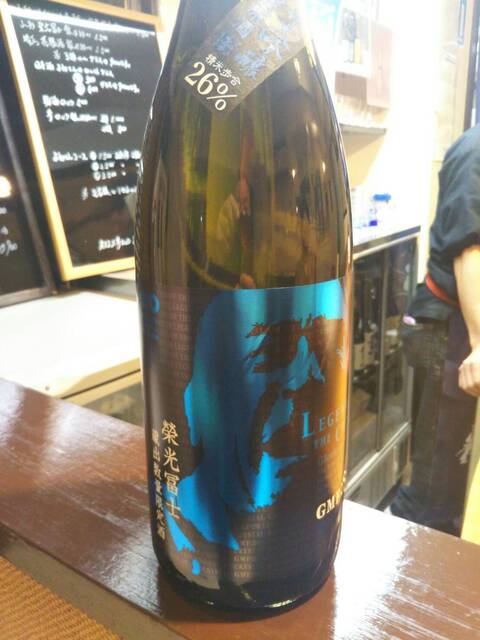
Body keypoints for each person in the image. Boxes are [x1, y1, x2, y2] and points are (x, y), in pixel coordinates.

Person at [390, 124, 480, 536]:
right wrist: (479, 344)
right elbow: (470, 252)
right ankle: (416, 571)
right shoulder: (476, 152)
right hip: (448, 331)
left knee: (448, 478)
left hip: (457, 328)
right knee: (435, 487)